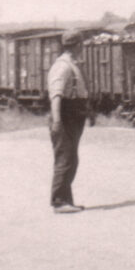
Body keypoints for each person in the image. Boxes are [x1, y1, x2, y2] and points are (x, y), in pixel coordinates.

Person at [47, 29, 90, 213]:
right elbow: (56, 96)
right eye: (81, 44)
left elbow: (80, 92)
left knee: (71, 158)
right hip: (64, 116)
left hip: (73, 115)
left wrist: (89, 112)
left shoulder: (73, 64)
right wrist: (57, 121)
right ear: (77, 45)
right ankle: (58, 202)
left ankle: (66, 200)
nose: (82, 47)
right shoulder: (62, 66)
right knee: (65, 158)